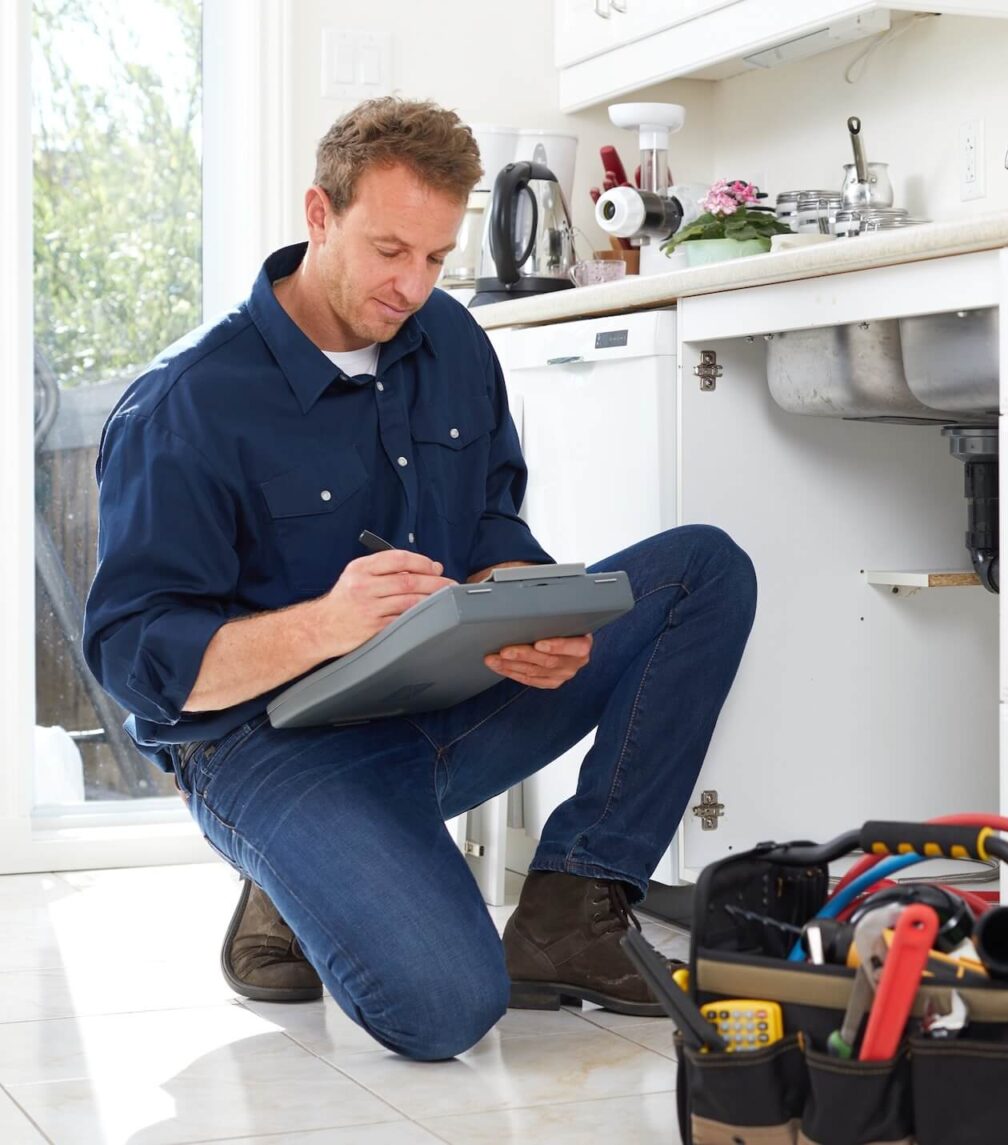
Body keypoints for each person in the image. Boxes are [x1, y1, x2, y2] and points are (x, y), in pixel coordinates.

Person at [81, 97, 756, 1061]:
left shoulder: (450, 342)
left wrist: (525, 598)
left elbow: (488, 513)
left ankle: (572, 905)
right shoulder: (186, 404)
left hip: (444, 697)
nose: (413, 285)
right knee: (445, 1010)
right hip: (271, 743)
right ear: (319, 215)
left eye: (437, 257)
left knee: (703, 571)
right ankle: (295, 866)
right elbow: (134, 661)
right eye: (390, 250)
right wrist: (327, 623)